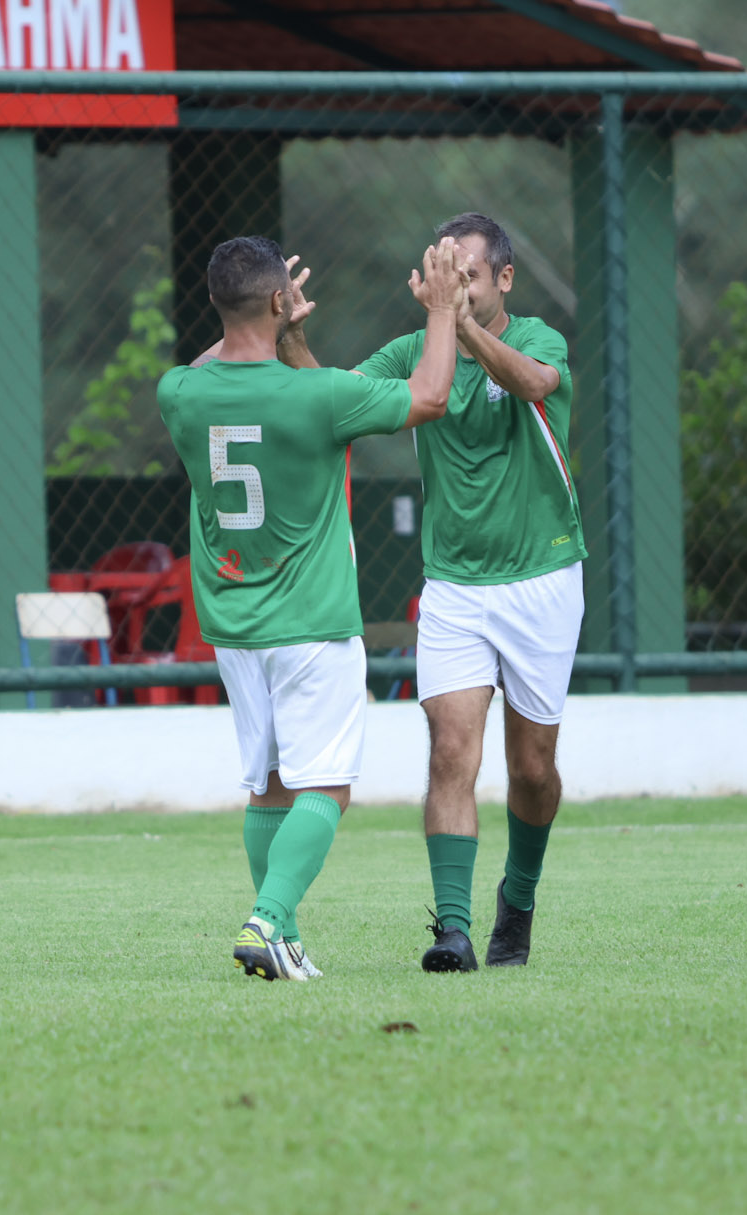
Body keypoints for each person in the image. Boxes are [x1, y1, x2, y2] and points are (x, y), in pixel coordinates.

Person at [282, 211, 582, 973]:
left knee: (533, 769)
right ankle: (452, 930)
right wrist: (289, 337)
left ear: (504, 278)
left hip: (544, 579)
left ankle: (519, 898)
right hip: (453, 587)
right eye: (446, 277)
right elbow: (333, 399)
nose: (456, 290)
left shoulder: (539, 339)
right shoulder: (415, 350)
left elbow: (531, 383)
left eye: (468, 277)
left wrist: (455, 321)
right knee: (450, 750)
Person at [157, 234, 464, 980]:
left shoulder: (180, 393)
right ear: (279, 300)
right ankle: (267, 921)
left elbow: (211, 362)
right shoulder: (319, 395)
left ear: (215, 304)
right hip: (312, 624)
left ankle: (284, 937)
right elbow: (430, 396)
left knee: (268, 786)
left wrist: (258, 319)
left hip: (233, 628)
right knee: (326, 787)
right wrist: (442, 309)